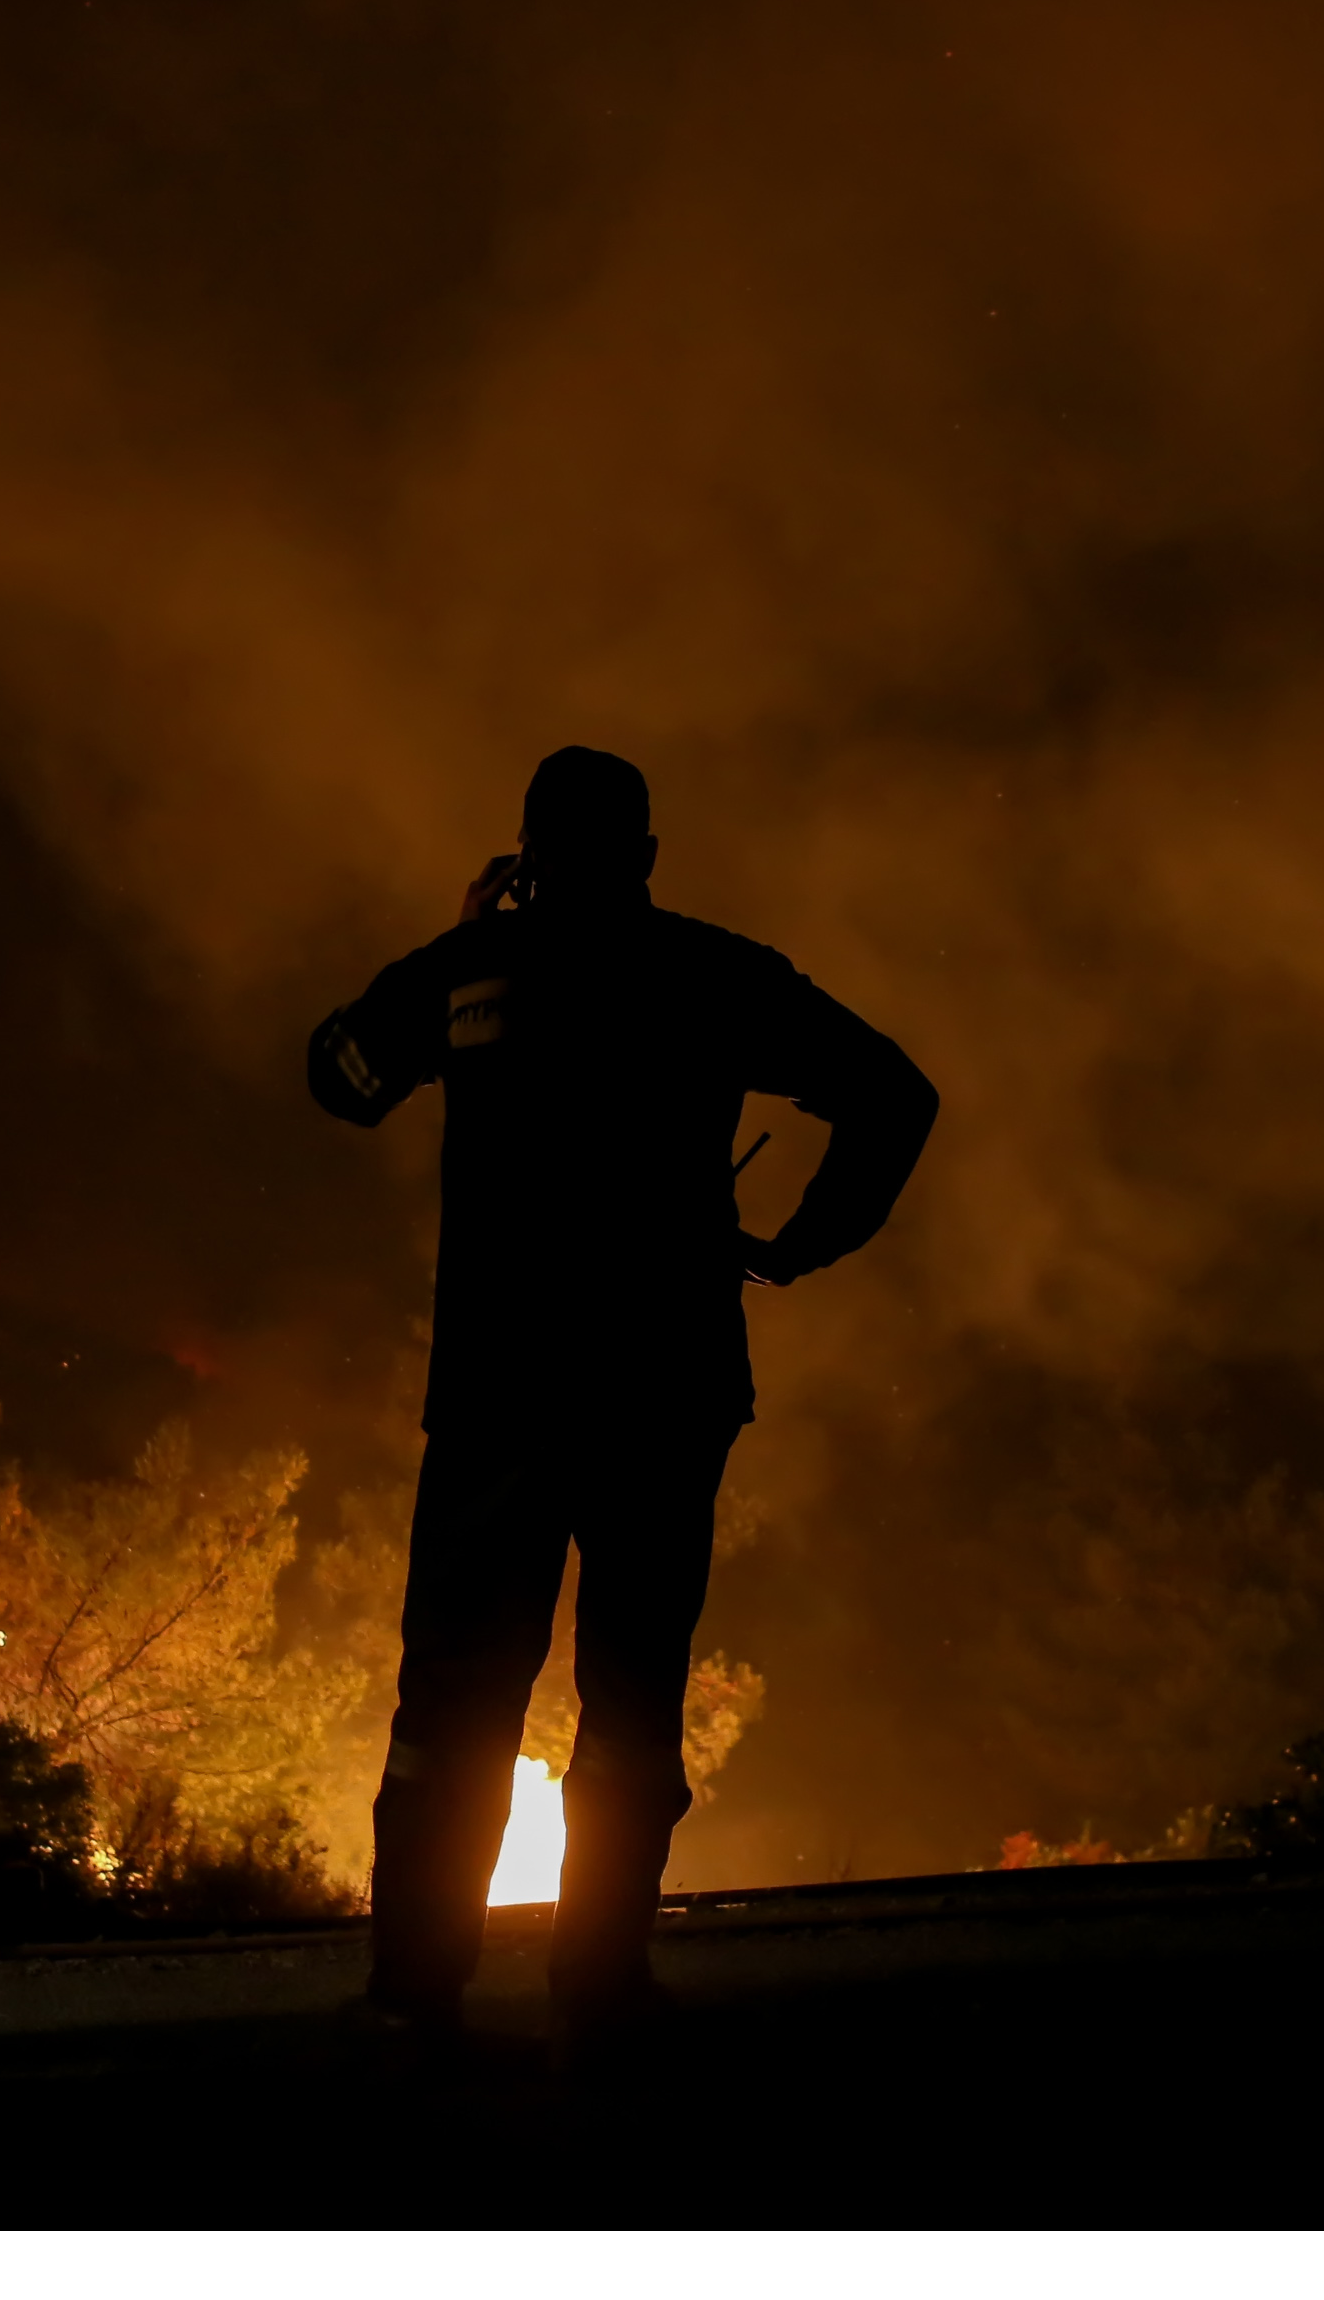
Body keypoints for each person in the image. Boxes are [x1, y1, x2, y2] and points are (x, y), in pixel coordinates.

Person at [308, 746, 938, 2037]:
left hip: (502, 1389)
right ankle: (599, 1984)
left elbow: (341, 1079)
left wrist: (462, 938)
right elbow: (893, 1092)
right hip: (667, 1382)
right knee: (636, 1697)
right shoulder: (716, 974)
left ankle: (417, 1992)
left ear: (528, 857)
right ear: (647, 857)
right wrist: (806, 1237)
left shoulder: (472, 973)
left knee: (455, 1704)